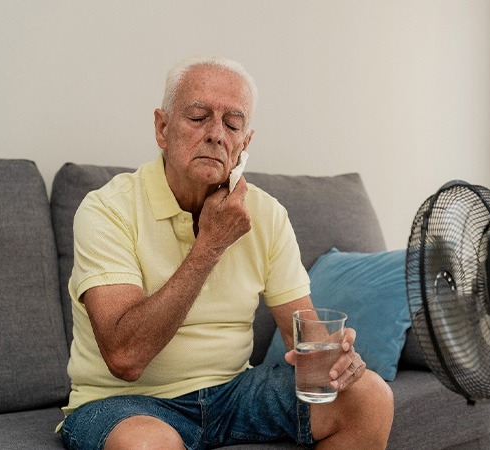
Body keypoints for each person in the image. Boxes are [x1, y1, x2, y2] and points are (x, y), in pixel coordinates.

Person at [59, 56, 394, 450]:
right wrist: (210, 245)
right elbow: (126, 357)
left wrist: (334, 363)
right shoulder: (106, 210)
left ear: (244, 144)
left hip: (233, 393)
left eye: (232, 124)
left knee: (371, 397)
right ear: (162, 128)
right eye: (198, 117)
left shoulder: (266, 214)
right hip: (125, 403)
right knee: (147, 444)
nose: (216, 134)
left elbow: (302, 338)